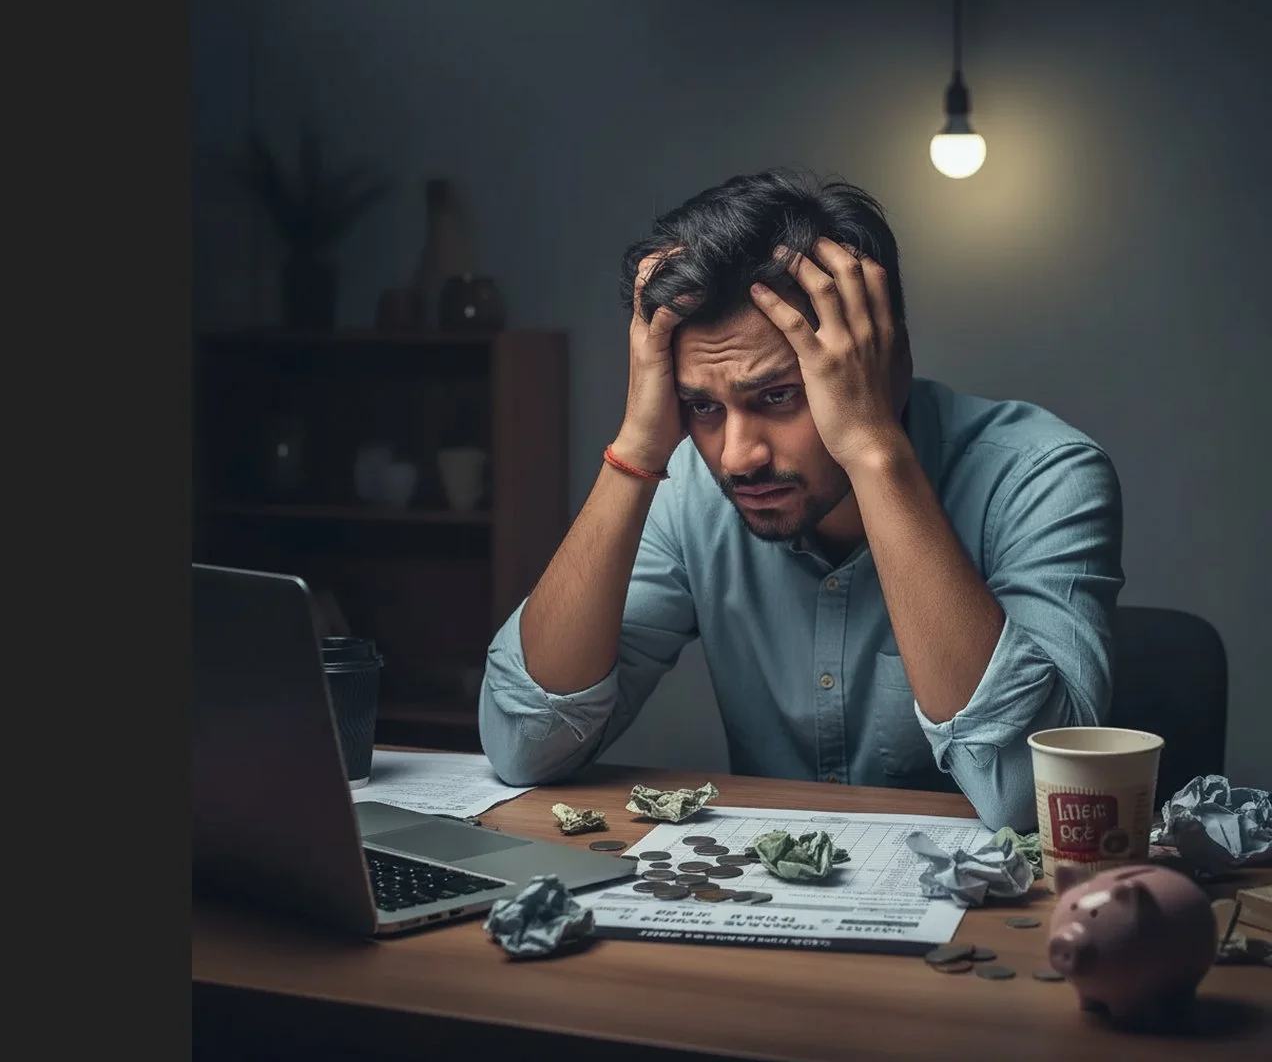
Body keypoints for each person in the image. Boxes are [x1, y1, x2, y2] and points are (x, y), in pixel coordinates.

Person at [477, 168, 1123, 832]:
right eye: (702, 406)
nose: (737, 457)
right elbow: (524, 746)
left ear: (885, 359)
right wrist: (638, 449)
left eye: (779, 395)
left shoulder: (1043, 474)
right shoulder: (691, 491)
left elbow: (1034, 797)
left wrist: (872, 448)